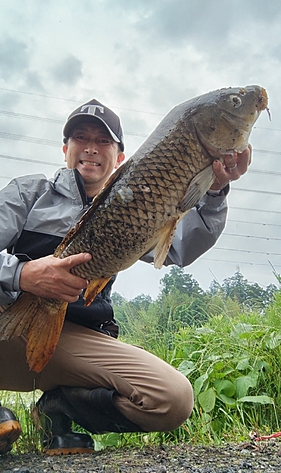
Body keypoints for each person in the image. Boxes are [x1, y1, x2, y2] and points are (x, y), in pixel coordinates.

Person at [0, 98, 251, 455]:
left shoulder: (140, 201)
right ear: (65, 148)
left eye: (103, 141)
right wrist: (22, 274)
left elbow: (180, 248)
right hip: (9, 327)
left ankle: (60, 409)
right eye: (80, 138)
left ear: (120, 157)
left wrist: (214, 192)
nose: (90, 148)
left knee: (172, 399)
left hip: (77, 342)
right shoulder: (29, 193)